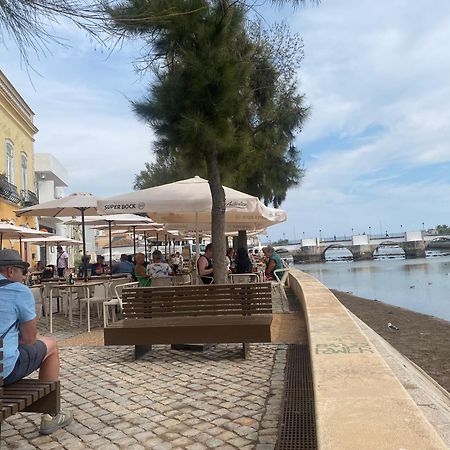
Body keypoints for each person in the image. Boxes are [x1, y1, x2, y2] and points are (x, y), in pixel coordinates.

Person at [0, 249, 72, 434]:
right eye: (23, 272)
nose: (24, 277)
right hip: (3, 371)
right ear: (10, 271)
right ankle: (50, 415)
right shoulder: (19, 291)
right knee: (51, 345)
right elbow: (29, 339)